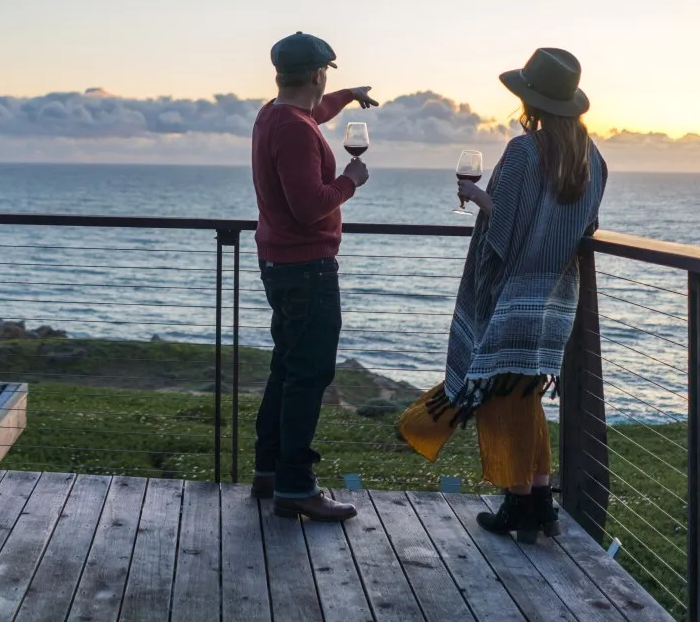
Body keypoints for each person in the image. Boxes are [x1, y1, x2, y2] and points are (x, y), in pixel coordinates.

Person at [398, 47, 607, 542]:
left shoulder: (524, 150)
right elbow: (587, 225)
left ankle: (518, 505)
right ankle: (540, 505)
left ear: (529, 100)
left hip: (510, 294)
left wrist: (474, 197)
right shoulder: (593, 158)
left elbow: (505, 228)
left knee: (498, 395)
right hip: (556, 296)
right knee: (524, 395)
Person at [251, 31, 378, 521]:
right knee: (309, 376)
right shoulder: (296, 130)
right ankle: (297, 488)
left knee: (287, 368)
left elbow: (314, 113)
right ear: (319, 73)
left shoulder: (275, 114)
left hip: (281, 264)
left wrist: (348, 97)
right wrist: (351, 181)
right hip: (307, 268)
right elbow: (309, 208)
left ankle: (270, 472)